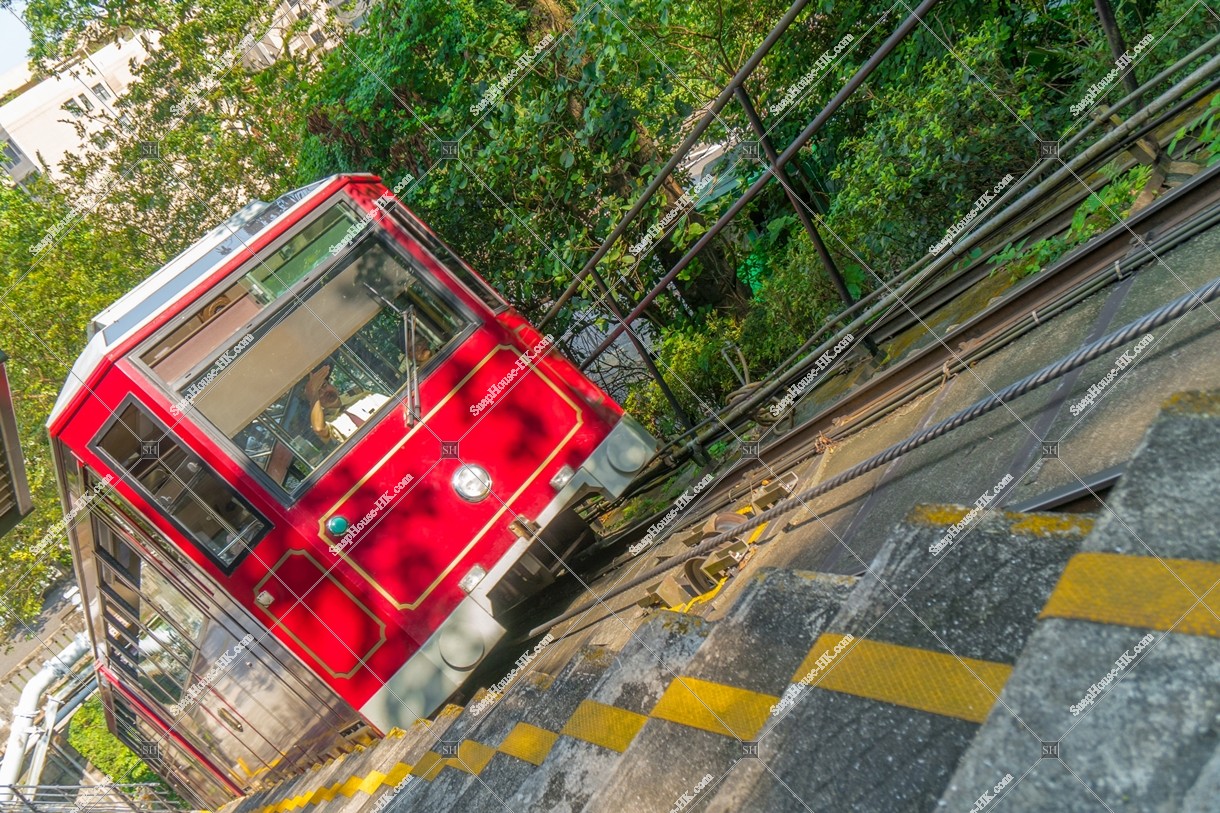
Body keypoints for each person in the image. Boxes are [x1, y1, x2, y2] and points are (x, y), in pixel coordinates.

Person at [304, 365, 390, 443]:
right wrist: (313, 393)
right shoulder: (326, 421)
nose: (324, 392)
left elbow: (392, 404)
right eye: (318, 392)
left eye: (324, 385)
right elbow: (319, 429)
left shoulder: (357, 394)